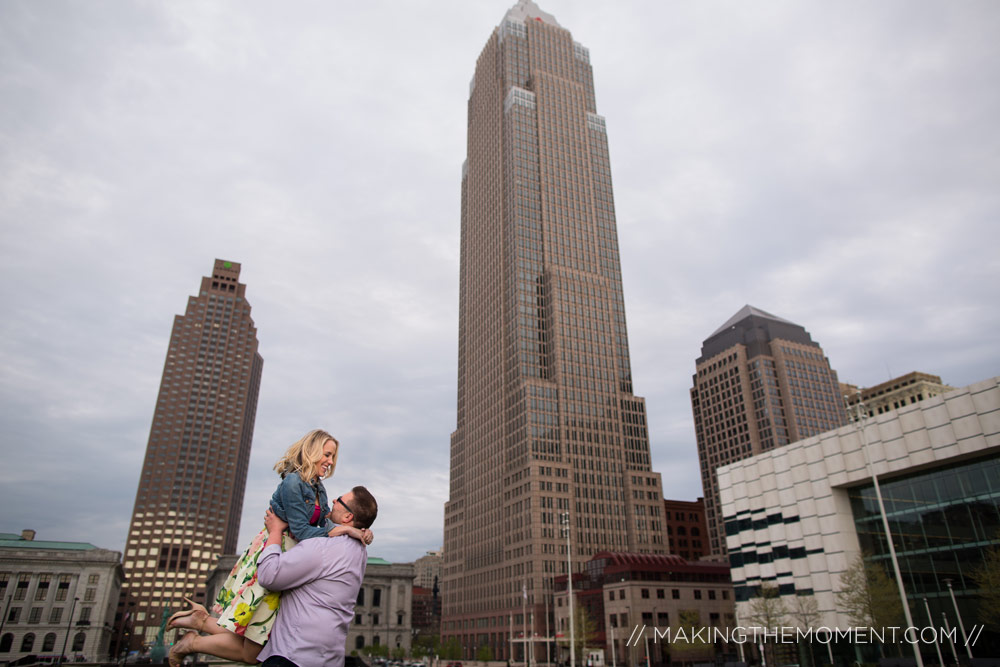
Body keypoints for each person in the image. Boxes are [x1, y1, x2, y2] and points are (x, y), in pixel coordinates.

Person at [166, 430, 372, 664]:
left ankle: (200, 622)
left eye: (333, 456)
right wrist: (344, 530)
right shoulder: (293, 482)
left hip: (291, 555)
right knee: (256, 641)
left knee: (257, 633)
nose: (330, 462)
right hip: (276, 552)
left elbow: (323, 519)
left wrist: (360, 528)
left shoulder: (318, 487)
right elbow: (304, 531)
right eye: (327, 455)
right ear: (312, 452)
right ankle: (192, 641)